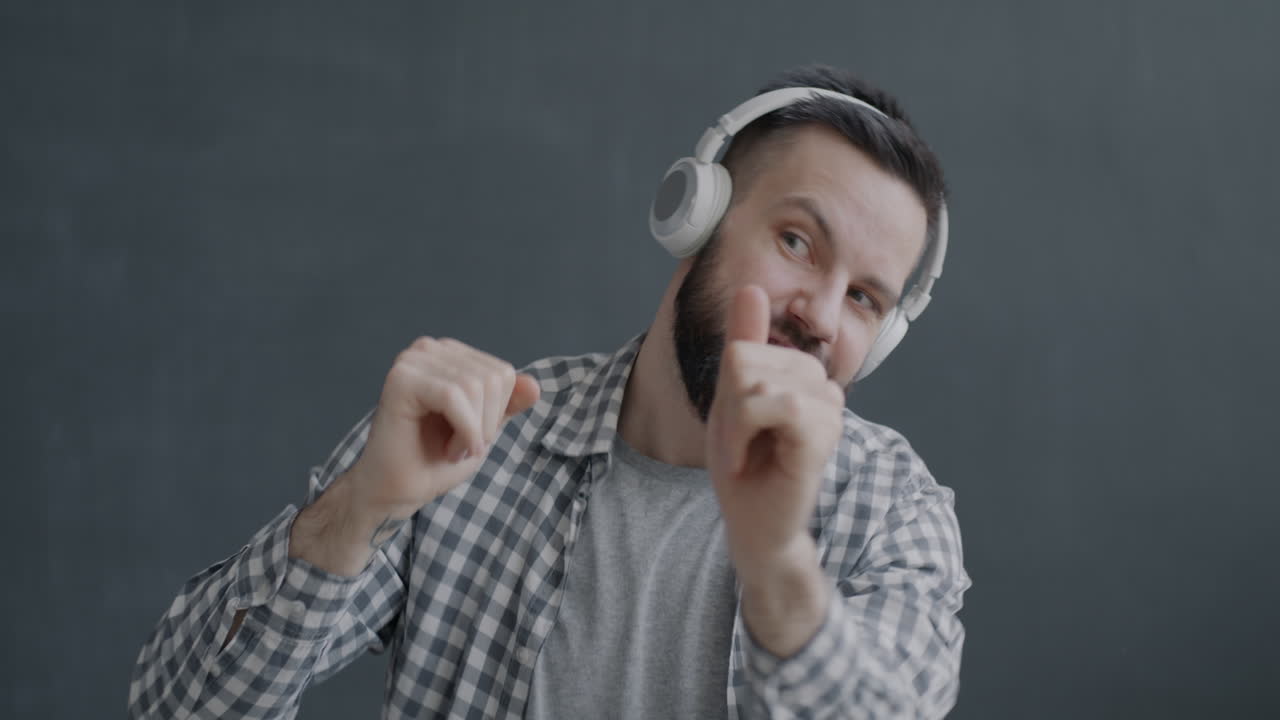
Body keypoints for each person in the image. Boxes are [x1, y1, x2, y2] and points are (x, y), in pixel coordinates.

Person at [129, 64, 970, 719]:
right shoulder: (475, 439)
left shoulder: (894, 514)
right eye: (796, 240)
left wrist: (779, 564)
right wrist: (354, 514)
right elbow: (174, 708)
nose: (821, 315)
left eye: (866, 298)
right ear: (697, 217)